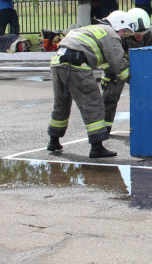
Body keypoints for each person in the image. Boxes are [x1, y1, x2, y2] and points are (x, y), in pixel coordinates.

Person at [46, 10, 134, 158]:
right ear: (118, 25)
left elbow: (107, 63)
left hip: (57, 62)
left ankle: (53, 140)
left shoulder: (91, 29)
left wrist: (109, 78)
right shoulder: (110, 34)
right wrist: (135, 81)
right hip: (76, 65)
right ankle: (97, 147)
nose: (123, 35)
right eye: (124, 31)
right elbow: (119, 64)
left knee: (61, 103)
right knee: (93, 104)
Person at [101, 8, 152, 133]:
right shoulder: (119, 35)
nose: (139, 36)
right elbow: (110, 58)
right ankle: (105, 128)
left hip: (148, 70)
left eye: (143, 33)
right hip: (120, 68)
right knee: (110, 94)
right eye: (136, 33)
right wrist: (108, 75)